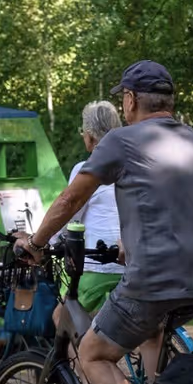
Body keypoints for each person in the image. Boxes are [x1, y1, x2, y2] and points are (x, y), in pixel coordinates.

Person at [16, 60, 193, 384]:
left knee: (92, 353)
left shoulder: (121, 139)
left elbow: (70, 201)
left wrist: (36, 244)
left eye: (124, 99)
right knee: (154, 337)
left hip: (157, 279)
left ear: (130, 100)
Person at [60, 100, 125, 313]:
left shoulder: (85, 169)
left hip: (97, 267)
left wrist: (44, 242)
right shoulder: (132, 165)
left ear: (89, 136)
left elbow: (69, 212)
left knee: (61, 317)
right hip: (132, 265)